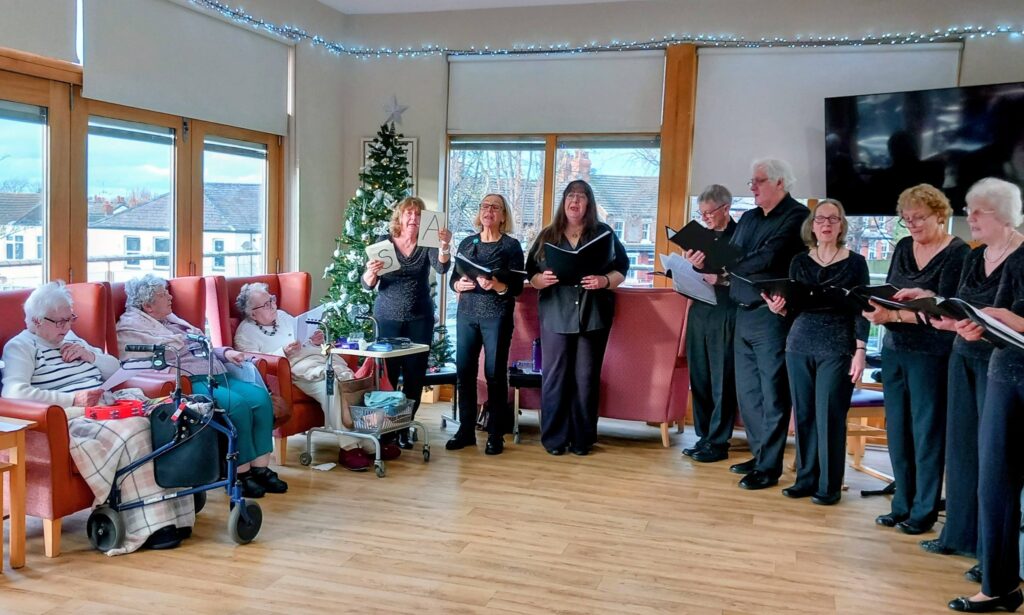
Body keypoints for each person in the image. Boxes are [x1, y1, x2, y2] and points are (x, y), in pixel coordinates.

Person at [1, 281, 194, 554]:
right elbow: (14, 391)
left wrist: (90, 355)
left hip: (107, 404)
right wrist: (73, 400)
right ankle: (152, 526)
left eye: (70, 319)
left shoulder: (71, 339)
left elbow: (115, 367)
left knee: (171, 417)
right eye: (59, 322)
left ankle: (178, 513)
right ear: (35, 321)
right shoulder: (21, 347)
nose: (66, 327)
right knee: (137, 429)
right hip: (74, 416)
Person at [921, 179, 1024, 577]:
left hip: (1003, 370)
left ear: (999, 213)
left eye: (975, 210)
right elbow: (958, 306)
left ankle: (991, 554)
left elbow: (1012, 320)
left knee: (995, 464)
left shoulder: (1020, 256)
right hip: (962, 358)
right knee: (961, 451)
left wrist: (983, 325)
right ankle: (959, 536)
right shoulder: (974, 256)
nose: (969, 217)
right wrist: (942, 317)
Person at [116, 274, 287, 499]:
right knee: (237, 405)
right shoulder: (131, 327)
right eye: (162, 294)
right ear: (148, 305)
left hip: (216, 372)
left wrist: (226, 352)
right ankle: (239, 473)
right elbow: (139, 360)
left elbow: (203, 346)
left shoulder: (172, 321)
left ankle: (260, 468)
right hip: (190, 380)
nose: (170, 297)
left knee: (258, 397)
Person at [863, 184, 969, 534]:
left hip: (932, 354)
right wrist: (883, 312)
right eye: (907, 219)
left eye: (919, 218)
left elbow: (947, 310)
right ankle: (901, 504)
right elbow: (893, 292)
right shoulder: (904, 247)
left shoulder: (958, 253)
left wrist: (896, 316)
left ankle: (923, 511)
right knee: (897, 430)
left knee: (927, 432)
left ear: (940, 214)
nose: (912, 225)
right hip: (894, 350)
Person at [707, 158, 807, 490]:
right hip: (742, 310)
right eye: (751, 182)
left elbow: (769, 257)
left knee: (772, 393)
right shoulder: (749, 217)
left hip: (771, 315)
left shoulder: (797, 217)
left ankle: (770, 466)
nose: (752, 188)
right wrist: (713, 261)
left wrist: (731, 264)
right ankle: (759, 452)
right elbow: (733, 255)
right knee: (748, 393)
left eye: (758, 181)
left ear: (780, 183)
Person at [764, 199, 869, 505]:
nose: (826, 224)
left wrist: (860, 350)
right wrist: (778, 309)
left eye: (833, 219)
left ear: (841, 226)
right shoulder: (799, 261)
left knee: (830, 416)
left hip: (838, 346)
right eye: (820, 219)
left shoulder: (856, 263)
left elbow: (862, 310)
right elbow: (793, 307)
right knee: (806, 415)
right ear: (812, 225)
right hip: (798, 344)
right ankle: (805, 479)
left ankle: (829, 486)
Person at [232, 282, 396, 472]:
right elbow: (250, 362)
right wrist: (283, 352)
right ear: (252, 313)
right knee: (331, 384)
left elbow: (301, 337)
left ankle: (369, 441)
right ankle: (349, 447)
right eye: (266, 304)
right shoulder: (245, 333)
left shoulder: (283, 316)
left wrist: (313, 340)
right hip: (292, 369)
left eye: (272, 300)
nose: (273, 306)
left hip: (315, 357)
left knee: (348, 381)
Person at [948, 216, 1024, 612]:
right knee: (995, 484)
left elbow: (1011, 316)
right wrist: (980, 323)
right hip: (1006, 374)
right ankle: (1000, 586)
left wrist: (1003, 318)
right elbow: (1004, 316)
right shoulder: (1016, 259)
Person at [525, 180, 629, 456]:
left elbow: (622, 268)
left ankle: (582, 439)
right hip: (555, 314)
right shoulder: (548, 235)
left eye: (581, 197)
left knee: (586, 378)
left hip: (592, 314)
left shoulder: (603, 233)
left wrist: (604, 280)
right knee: (555, 377)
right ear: (563, 202)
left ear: (589, 204)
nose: (575, 201)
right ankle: (555, 439)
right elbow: (530, 274)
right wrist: (541, 280)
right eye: (570, 196)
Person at [362, 196, 452, 449]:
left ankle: (404, 426)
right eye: (408, 214)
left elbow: (442, 269)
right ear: (399, 217)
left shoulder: (428, 242)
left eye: (418, 214)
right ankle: (388, 430)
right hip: (387, 318)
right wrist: (371, 273)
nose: (413, 218)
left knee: (414, 376)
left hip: (419, 318)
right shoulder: (384, 242)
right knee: (388, 375)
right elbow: (368, 283)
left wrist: (445, 246)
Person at [446, 194, 525, 455]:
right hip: (467, 314)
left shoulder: (511, 246)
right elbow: (454, 279)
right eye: (484, 206)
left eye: (495, 207)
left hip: (497, 315)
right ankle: (466, 430)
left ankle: (495, 435)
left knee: (494, 373)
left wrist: (497, 285)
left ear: (503, 216)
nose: (488, 210)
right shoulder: (467, 243)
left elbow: (515, 287)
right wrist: (459, 284)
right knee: (464, 372)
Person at [680, 184, 739, 463]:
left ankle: (719, 441)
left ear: (725, 208)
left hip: (725, 312)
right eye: (701, 213)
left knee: (722, 379)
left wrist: (721, 279)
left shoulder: (740, 236)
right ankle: (703, 436)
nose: (705, 217)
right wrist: (686, 267)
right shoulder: (699, 237)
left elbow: (745, 278)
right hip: (699, 311)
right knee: (700, 376)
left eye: (709, 213)